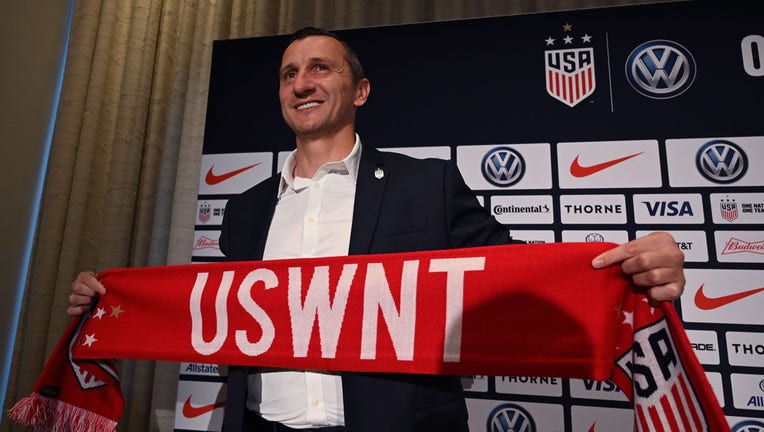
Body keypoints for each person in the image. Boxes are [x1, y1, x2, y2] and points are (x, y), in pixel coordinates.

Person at [69, 27, 685, 432]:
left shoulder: (429, 184)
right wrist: (108, 304)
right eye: (288, 74)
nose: (301, 83)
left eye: (319, 69)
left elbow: (516, 278)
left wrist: (630, 268)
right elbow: (217, 313)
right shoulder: (247, 207)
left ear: (359, 90)